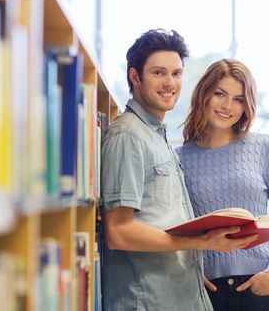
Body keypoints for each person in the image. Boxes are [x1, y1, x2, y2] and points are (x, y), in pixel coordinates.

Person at [100, 29, 258, 311]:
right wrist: (202, 242)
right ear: (135, 77)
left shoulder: (157, 136)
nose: (170, 83)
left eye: (176, 73)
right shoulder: (127, 135)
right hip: (148, 301)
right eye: (159, 73)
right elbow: (118, 231)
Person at [177, 58, 269, 311]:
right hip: (206, 291)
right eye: (220, 94)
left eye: (238, 99)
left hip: (261, 288)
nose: (227, 106)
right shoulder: (179, 158)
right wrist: (189, 273)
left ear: (247, 105)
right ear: (204, 95)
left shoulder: (264, 147)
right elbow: (176, 228)